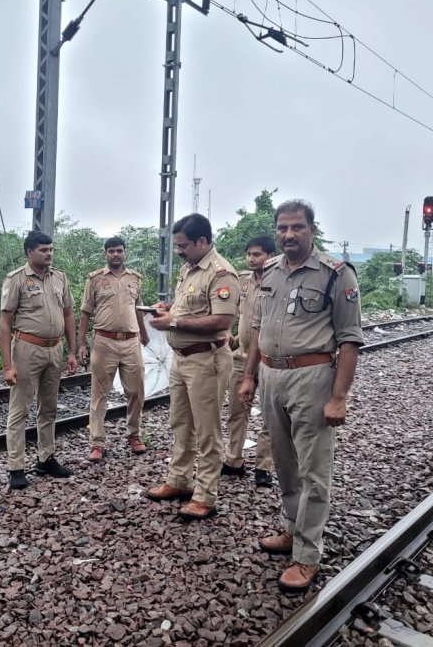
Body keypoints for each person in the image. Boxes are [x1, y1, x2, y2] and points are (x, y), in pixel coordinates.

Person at [239, 200, 363, 593]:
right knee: (285, 464)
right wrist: (249, 377)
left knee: (314, 470)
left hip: (312, 378)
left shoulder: (336, 275)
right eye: (282, 228)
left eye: (297, 227)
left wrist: (338, 397)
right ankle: (292, 530)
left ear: (312, 229)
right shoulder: (270, 272)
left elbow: (349, 340)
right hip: (272, 375)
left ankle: (308, 555)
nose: (288, 234)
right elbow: (257, 328)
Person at [146, 213, 239, 520]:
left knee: (207, 430)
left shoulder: (222, 273)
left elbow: (222, 320)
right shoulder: (189, 269)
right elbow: (188, 306)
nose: (179, 251)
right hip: (182, 359)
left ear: (202, 241)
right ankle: (179, 480)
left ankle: (206, 495)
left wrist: (172, 321)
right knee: (181, 423)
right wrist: (168, 309)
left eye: (183, 245)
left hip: (206, 359)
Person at [0, 231, 77, 490]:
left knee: (49, 407)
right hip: (26, 349)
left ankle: (46, 458)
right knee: (20, 409)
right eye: (44, 249)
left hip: (54, 349)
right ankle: (16, 467)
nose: (49, 253)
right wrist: (8, 366)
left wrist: (73, 352)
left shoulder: (59, 277)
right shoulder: (16, 279)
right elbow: (5, 324)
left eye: (51, 249)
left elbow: (68, 315)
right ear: (30, 251)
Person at [78, 237, 150, 462]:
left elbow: (138, 308)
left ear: (125, 253)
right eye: (111, 251)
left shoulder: (135, 279)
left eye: (119, 250)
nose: (115, 254)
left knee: (136, 392)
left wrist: (144, 333)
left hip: (131, 341)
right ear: (105, 254)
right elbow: (85, 312)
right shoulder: (95, 279)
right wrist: (81, 344)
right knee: (100, 394)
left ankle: (134, 435)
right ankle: (97, 442)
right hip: (104, 341)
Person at [223, 236, 276, 487]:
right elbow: (235, 313)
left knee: (269, 415)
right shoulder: (242, 281)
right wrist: (229, 335)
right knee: (237, 410)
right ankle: (234, 460)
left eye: (258, 254)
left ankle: (263, 465)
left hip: (270, 360)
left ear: (271, 255)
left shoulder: (279, 281)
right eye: (249, 255)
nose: (252, 259)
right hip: (241, 357)